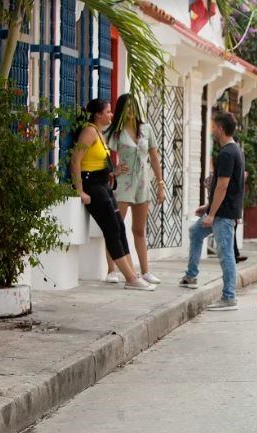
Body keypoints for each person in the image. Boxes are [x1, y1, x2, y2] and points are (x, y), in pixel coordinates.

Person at [70, 98, 155, 291]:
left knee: (119, 227)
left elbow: (97, 162)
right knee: (112, 229)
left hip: (103, 184)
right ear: (98, 114)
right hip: (92, 186)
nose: (111, 114)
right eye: (108, 111)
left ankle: (132, 274)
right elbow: (76, 160)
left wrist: (113, 172)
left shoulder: (98, 133)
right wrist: (80, 190)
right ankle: (130, 278)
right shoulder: (90, 132)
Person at [179, 112, 244, 311]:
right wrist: (208, 208)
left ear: (221, 129)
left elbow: (223, 186)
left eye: (214, 127)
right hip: (220, 210)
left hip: (223, 214)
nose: (212, 130)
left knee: (225, 255)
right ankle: (191, 276)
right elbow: (227, 185)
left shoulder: (226, 153)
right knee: (195, 232)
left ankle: (229, 297)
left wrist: (212, 214)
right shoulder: (236, 150)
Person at [103, 94, 164, 285]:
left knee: (139, 229)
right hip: (124, 184)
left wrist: (160, 184)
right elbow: (100, 152)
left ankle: (145, 271)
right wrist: (112, 169)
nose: (131, 111)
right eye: (127, 108)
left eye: (133, 107)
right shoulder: (115, 132)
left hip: (143, 185)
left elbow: (154, 158)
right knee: (114, 228)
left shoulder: (146, 129)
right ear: (122, 109)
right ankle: (112, 270)